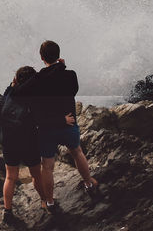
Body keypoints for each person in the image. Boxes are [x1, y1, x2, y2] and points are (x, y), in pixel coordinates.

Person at [15, 40, 99, 205]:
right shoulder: (70, 75)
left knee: (47, 166)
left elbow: (19, 92)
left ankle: (50, 201)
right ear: (59, 56)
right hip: (69, 124)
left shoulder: (37, 80)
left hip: (47, 129)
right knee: (77, 152)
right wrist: (61, 67)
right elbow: (73, 90)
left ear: (41, 57)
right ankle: (89, 184)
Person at [0, 66, 60, 226]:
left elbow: (4, 97)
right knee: (36, 174)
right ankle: (46, 200)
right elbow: (43, 120)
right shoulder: (33, 100)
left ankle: (7, 211)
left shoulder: (9, 94)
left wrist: (12, 84)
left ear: (16, 80)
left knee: (10, 176)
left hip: (8, 141)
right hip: (28, 142)